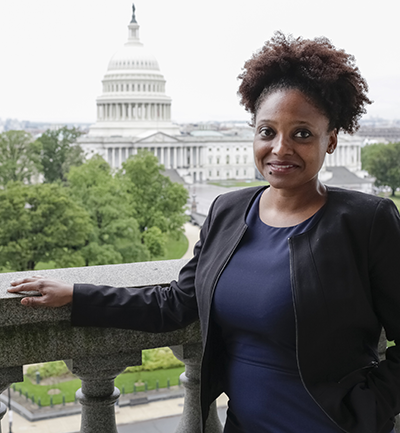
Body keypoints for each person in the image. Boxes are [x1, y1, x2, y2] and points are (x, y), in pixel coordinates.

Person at [8, 33, 400, 433]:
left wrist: (370, 409)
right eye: (267, 131)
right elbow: (176, 303)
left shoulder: (366, 221)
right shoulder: (228, 211)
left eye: (302, 133)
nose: (280, 148)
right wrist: (76, 295)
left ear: (330, 139)